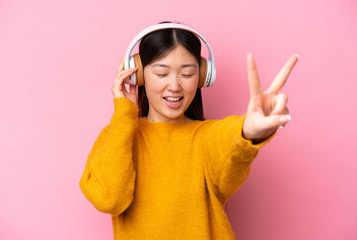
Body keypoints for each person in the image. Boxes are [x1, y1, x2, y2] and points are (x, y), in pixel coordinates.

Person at [79, 21, 298, 240]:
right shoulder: (117, 135)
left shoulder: (207, 136)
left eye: (186, 74)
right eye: (162, 74)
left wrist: (247, 132)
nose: (175, 86)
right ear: (138, 75)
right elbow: (109, 199)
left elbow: (229, 142)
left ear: (203, 76)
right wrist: (124, 113)